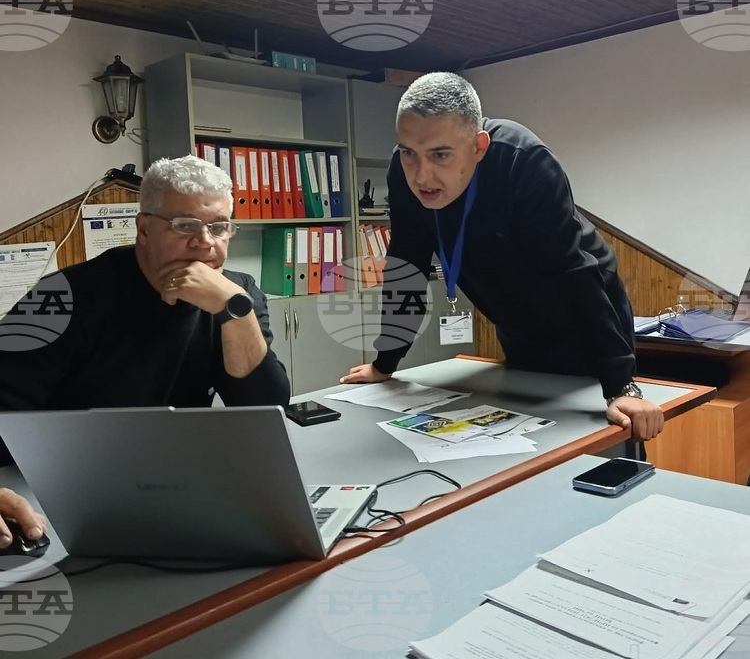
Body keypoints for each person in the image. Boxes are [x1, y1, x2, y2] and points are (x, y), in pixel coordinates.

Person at [341, 72, 664, 441]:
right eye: (408, 153)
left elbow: (573, 272)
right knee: (534, 434)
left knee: (602, 431)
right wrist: (385, 363)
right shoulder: (403, 175)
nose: (421, 175)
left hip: (585, 317)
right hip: (517, 322)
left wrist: (621, 386)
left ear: (479, 146)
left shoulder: (523, 161)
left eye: (440, 154)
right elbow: (407, 268)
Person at [0, 155, 290, 463]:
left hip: (179, 466)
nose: (205, 242)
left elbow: (267, 413)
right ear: (144, 229)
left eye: (218, 227)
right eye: (185, 225)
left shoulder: (237, 294)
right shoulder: (57, 297)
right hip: (71, 466)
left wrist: (234, 309)